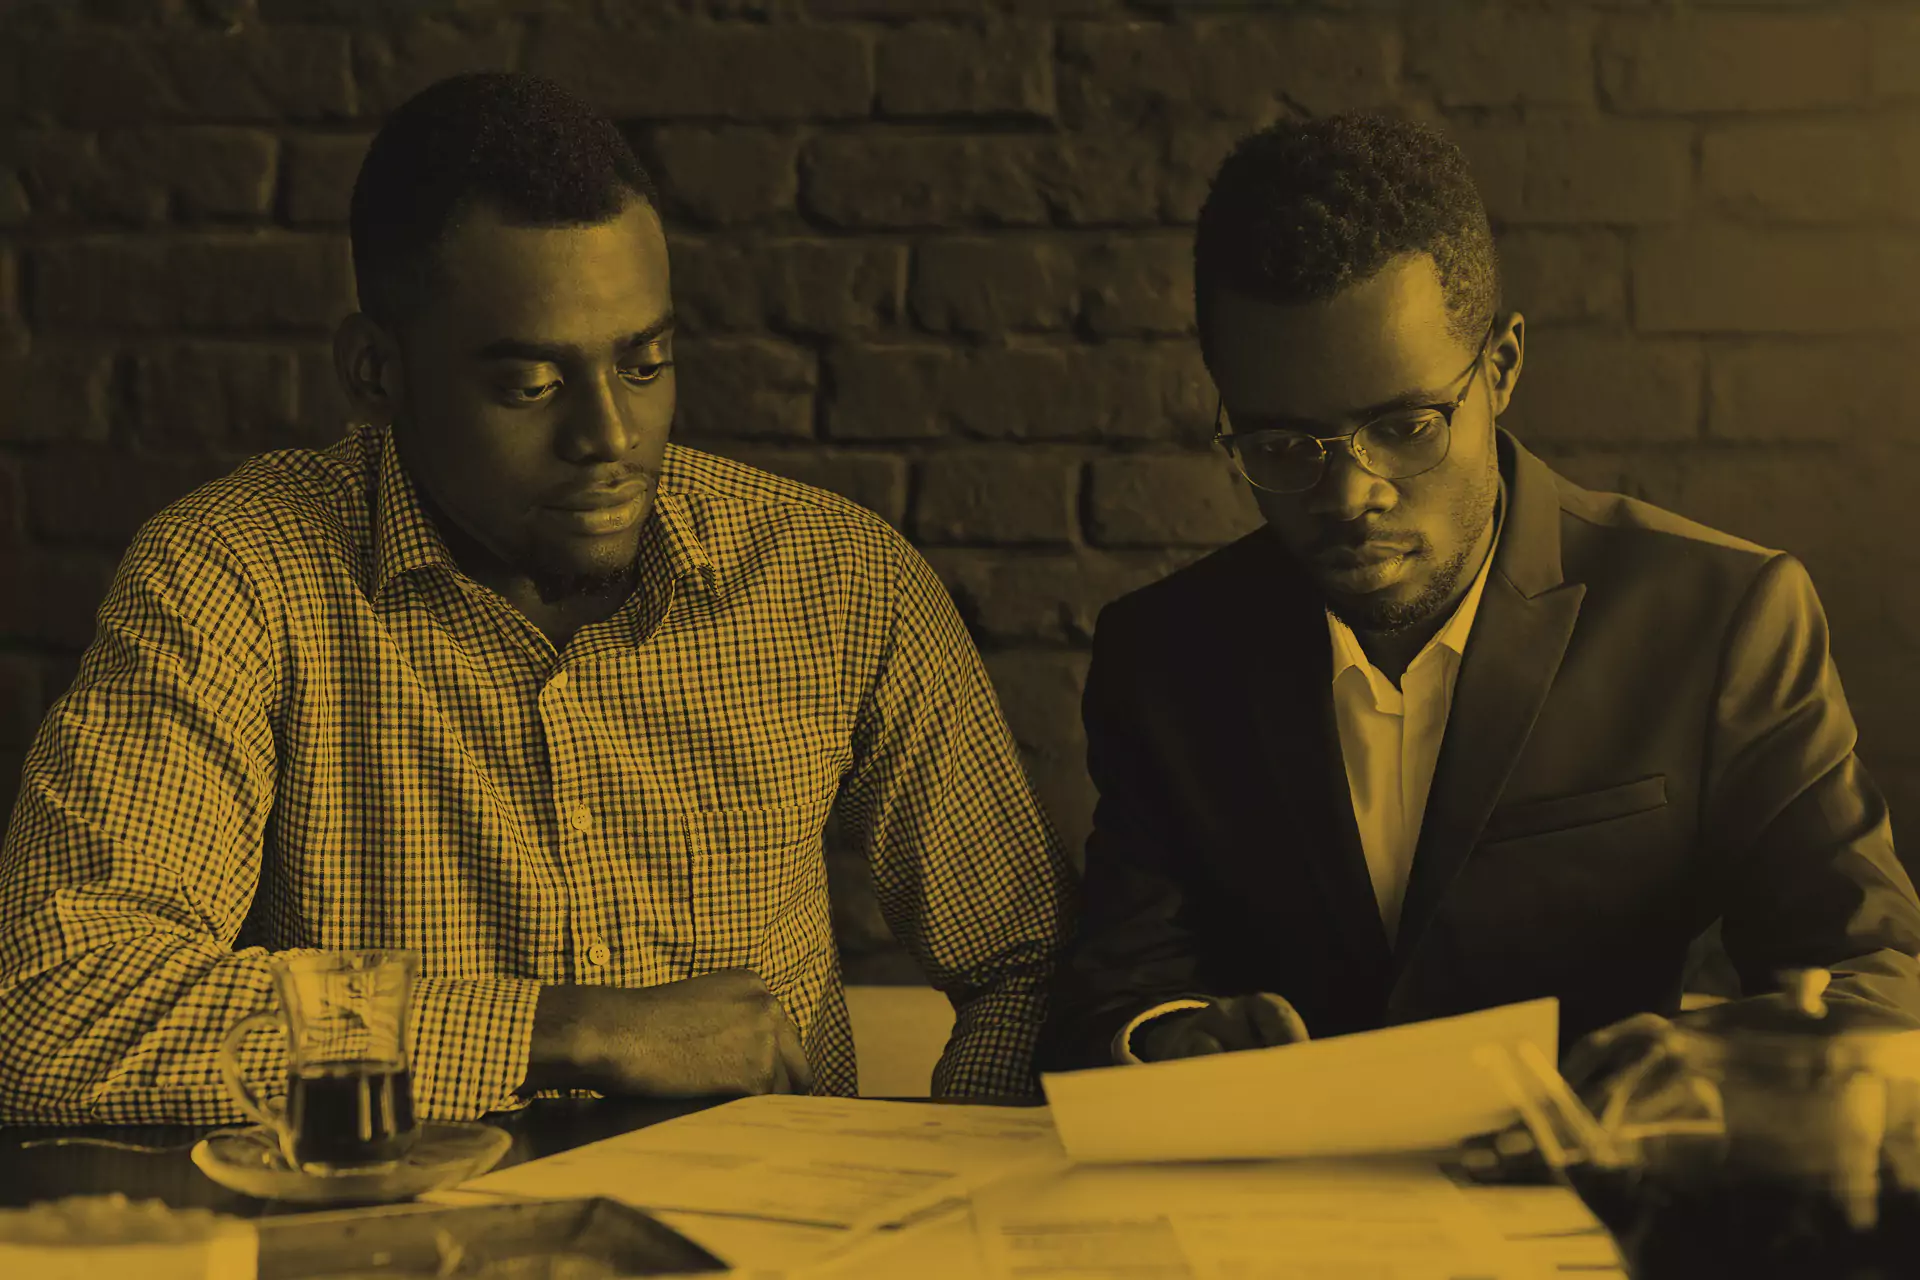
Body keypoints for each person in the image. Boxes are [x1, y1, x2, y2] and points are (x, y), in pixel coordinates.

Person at [0, 71, 1073, 1124]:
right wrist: (567, 1030)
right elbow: (52, 1007)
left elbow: (1032, 968)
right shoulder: (235, 575)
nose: (610, 435)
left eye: (644, 364)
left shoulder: (837, 579)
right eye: (531, 385)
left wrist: (943, 1164)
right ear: (376, 372)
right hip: (408, 1222)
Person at [1036, 113, 1920, 1087]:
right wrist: (1172, 1041)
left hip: (1593, 1172)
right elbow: (1115, 997)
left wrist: (1703, 1064)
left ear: (1500, 369)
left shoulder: (1719, 617)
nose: (1351, 494)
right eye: (1281, 446)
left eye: (1405, 426)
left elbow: (1874, 974)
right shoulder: (1165, 657)